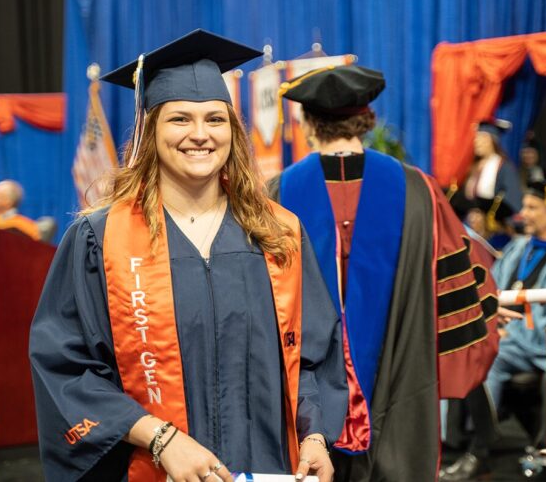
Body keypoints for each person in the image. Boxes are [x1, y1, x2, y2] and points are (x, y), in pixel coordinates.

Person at [29, 30, 347, 482]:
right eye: (180, 119)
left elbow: (315, 355)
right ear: (150, 130)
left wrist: (315, 435)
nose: (200, 135)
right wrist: (161, 439)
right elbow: (66, 367)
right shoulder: (99, 240)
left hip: (266, 469)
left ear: (232, 131)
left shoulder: (278, 234)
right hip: (153, 470)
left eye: (215, 120)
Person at [267, 64, 499, 481]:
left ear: (307, 123)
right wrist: (485, 313)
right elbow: (460, 277)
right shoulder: (417, 190)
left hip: (304, 397)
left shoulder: (277, 193)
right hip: (401, 382)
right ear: (366, 119)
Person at [440, 179, 546, 481]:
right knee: (463, 345)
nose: (523, 213)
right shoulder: (521, 246)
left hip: (540, 342)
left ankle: (480, 450)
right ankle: (451, 441)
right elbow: (491, 286)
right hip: (508, 335)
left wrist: (509, 333)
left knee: (488, 355)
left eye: (532, 207)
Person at [462, 118, 523, 215]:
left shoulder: (504, 167)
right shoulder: (472, 167)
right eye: (476, 138)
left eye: (483, 138)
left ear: (493, 141)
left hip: (491, 221)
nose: (477, 142)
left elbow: (512, 201)